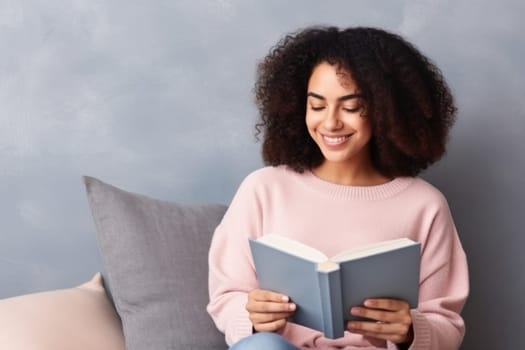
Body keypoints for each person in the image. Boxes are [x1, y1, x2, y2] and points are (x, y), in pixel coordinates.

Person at [207, 26, 469, 350]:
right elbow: (227, 295)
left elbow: (447, 324)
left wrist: (411, 330)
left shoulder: (425, 204)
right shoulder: (263, 189)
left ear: (385, 111)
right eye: (317, 106)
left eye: (350, 107)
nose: (330, 123)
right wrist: (251, 318)